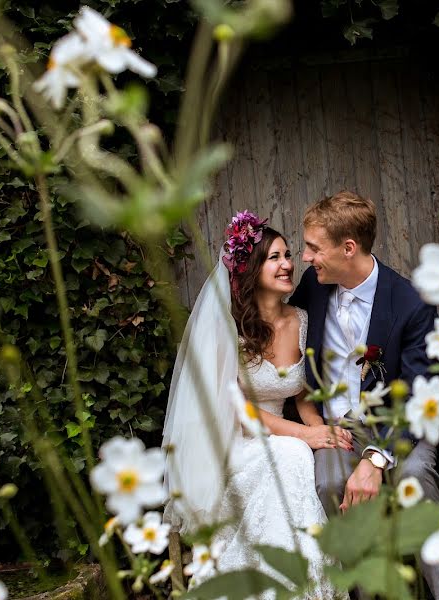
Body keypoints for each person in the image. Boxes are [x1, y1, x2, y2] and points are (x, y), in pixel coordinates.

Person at [162, 211, 350, 598]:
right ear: (250, 269)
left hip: (283, 438)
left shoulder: (301, 319)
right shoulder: (229, 329)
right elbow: (235, 409)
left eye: (287, 255)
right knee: (293, 455)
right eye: (274, 258)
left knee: (293, 455)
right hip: (234, 441)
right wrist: (305, 434)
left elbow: (301, 393)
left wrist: (322, 430)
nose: (287, 264)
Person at [289, 191, 439, 600]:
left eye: (314, 248)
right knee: (332, 482)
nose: (305, 257)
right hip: (338, 426)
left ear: (348, 248)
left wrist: (376, 459)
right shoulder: (313, 287)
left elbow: (420, 394)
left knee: (415, 479)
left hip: (401, 426)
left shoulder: (412, 304)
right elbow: (278, 326)